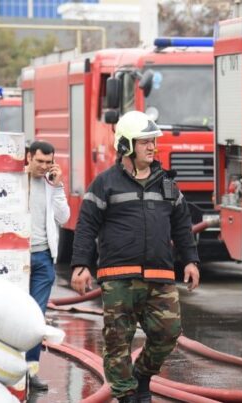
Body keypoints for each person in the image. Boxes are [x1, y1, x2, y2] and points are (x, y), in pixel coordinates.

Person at [70, 111, 200, 403]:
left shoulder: (167, 184)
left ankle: (141, 376)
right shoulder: (105, 184)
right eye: (145, 142)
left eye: (153, 142)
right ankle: (127, 395)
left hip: (160, 275)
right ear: (126, 145)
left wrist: (191, 260)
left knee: (168, 333)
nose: (152, 147)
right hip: (118, 278)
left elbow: (181, 224)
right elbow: (86, 224)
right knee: (118, 341)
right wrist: (81, 265)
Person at [26, 140, 70, 391]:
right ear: (29, 157)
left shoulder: (51, 185)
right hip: (16, 258)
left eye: (48, 162)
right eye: (39, 161)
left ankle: (31, 371)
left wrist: (58, 186)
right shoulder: (16, 180)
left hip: (43, 257)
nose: (43, 167)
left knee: (35, 317)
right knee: (10, 313)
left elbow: (64, 217)